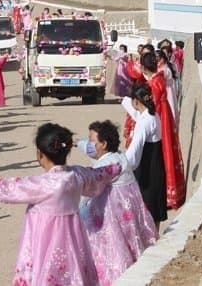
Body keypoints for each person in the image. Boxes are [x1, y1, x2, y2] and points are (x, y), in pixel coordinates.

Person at [0, 124, 121, 286]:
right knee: (73, 275)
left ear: (40, 154)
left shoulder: (40, 185)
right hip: (73, 240)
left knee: (46, 275)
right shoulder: (78, 175)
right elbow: (103, 173)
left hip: (44, 243)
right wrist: (118, 164)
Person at [76, 120, 157, 284]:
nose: (89, 145)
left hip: (113, 221)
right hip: (127, 218)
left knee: (113, 256)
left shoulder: (107, 165)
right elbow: (87, 148)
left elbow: (89, 188)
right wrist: (76, 143)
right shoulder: (119, 156)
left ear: (104, 144)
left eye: (92, 141)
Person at [134, 53, 186, 210]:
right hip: (164, 114)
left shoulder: (154, 83)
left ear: (144, 67)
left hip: (159, 116)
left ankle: (165, 193)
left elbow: (153, 104)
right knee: (166, 150)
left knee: (162, 152)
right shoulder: (158, 78)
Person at [122, 85, 167, 229]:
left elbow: (135, 147)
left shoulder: (145, 121)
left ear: (136, 102)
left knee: (147, 205)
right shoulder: (152, 115)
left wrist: (123, 164)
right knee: (154, 205)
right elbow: (137, 114)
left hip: (147, 167)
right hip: (155, 163)